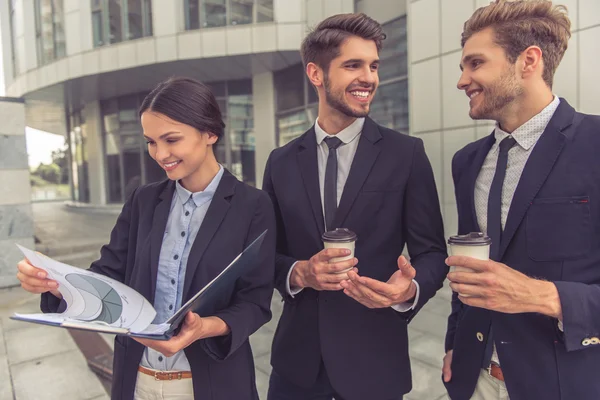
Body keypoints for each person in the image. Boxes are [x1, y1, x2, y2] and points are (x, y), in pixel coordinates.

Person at [16, 77, 276, 400]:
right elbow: (108, 274)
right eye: (151, 142)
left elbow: (254, 302)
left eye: (171, 139)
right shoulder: (143, 200)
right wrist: (56, 283)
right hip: (137, 379)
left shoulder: (252, 205)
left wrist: (204, 327)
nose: (160, 153)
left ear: (210, 133)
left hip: (212, 381)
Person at [263, 13, 448, 400]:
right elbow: (267, 256)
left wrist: (408, 289)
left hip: (375, 365)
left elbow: (431, 252)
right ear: (316, 73)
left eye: (374, 66)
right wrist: (299, 272)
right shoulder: (280, 162)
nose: (369, 78)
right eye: (353, 65)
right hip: (296, 368)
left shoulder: (406, 154)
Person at [442, 1, 600, 399]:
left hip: (563, 385)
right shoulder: (467, 162)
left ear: (528, 61)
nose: (462, 80)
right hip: (472, 379)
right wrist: (452, 342)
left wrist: (545, 296)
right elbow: (469, 269)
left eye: (475, 63)